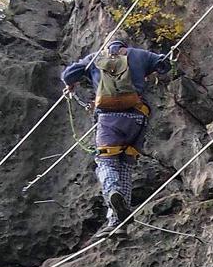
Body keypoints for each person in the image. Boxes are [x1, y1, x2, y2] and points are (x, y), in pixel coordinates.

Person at [61, 38, 171, 237]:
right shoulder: (139, 54)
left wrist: (72, 83)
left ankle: (112, 191)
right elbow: (164, 64)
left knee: (105, 162)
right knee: (125, 166)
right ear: (125, 45)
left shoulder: (95, 58)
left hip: (109, 120)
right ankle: (117, 224)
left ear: (107, 45)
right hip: (137, 118)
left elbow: (67, 74)